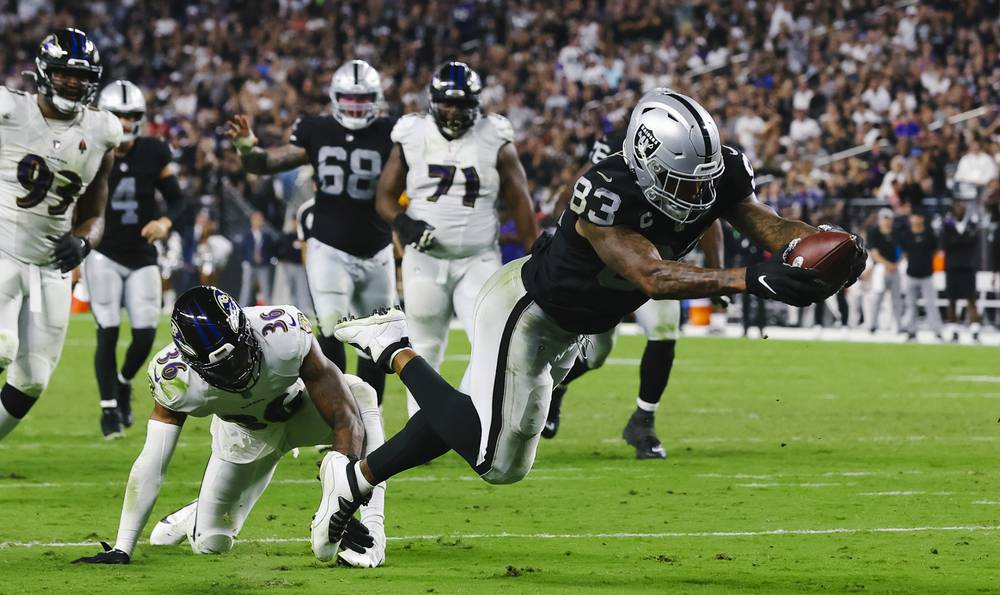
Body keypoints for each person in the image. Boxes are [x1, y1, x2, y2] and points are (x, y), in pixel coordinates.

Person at [315, 89, 864, 554]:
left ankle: (355, 480)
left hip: (570, 325)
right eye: (683, 184)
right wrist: (749, 279)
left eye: (704, 182)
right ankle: (394, 347)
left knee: (471, 421)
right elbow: (651, 276)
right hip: (526, 313)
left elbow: (763, 222)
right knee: (495, 462)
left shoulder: (712, 174)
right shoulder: (606, 192)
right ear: (645, 164)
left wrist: (816, 244)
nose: (697, 196)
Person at [72, 286, 386, 567]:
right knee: (211, 544)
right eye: (224, 366)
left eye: (240, 353)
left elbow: (346, 417)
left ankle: (373, 531)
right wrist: (122, 546)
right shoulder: (175, 379)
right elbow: (153, 461)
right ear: (193, 363)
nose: (239, 368)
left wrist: (342, 506)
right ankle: (193, 516)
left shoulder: (282, 329)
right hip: (244, 439)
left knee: (359, 394)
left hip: (303, 413)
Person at [540, 125, 726, 459]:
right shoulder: (617, 146)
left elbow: (708, 215)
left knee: (665, 327)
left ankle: (644, 419)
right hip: (607, 262)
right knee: (597, 353)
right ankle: (555, 388)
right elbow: (579, 189)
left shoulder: (694, 156)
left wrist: (716, 271)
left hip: (660, 261)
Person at [374, 61, 539, 415]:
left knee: (491, 342)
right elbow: (384, 197)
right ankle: (421, 430)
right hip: (425, 259)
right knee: (425, 346)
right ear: (433, 101)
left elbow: (519, 199)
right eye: (447, 102)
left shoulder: (494, 136)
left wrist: (535, 254)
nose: (453, 110)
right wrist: (403, 223)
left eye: (462, 103)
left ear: (477, 104)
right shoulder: (412, 134)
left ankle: (467, 417)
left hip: (478, 259)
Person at [227, 59, 395, 404]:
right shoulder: (317, 129)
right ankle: (339, 420)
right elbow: (267, 163)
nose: (356, 106)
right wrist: (246, 148)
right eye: (349, 99)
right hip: (329, 245)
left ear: (376, 99)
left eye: (363, 99)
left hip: (378, 247)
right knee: (332, 328)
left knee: (379, 341)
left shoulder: (393, 133)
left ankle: (370, 424)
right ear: (336, 98)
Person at [0, 29, 122, 440]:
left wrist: (85, 241)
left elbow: (95, 214)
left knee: (32, 378)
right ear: (43, 72)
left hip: (51, 264)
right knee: (2, 345)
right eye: (64, 73)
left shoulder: (104, 131)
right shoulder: (9, 110)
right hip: (2, 248)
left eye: (82, 76)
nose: (73, 82)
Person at [85, 80, 186, 439]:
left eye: (132, 116)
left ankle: (124, 381)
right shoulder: (90, 148)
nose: (126, 123)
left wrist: (164, 221)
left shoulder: (154, 151)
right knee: (107, 330)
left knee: (145, 333)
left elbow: (178, 199)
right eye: (120, 116)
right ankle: (108, 410)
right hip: (103, 252)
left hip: (142, 254)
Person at [941, 202, 981, 342]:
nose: (959, 210)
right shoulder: (947, 225)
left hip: (968, 268)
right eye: (957, 207)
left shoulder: (971, 225)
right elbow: (946, 244)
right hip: (952, 268)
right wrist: (963, 239)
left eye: (962, 207)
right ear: (953, 210)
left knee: (971, 299)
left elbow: (973, 241)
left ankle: (975, 330)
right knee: (952, 300)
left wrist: (957, 240)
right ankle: (953, 330)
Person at [899, 213, 943, 341]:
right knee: (911, 304)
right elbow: (905, 253)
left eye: (918, 216)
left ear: (922, 218)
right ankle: (911, 332)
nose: (916, 219)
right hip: (911, 274)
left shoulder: (929, 234)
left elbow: (935, 251)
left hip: (927, 275)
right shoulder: (907, 235)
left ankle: (937, 331)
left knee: (931, 304)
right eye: (914, 216)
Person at [865, 209, 903, 333]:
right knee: (877, 297)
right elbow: (874, 253)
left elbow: (901, 251)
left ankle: (898, 325)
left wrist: (896, 264)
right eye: (884, 218)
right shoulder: (874, 232)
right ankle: (873, 325)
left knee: (896, 299)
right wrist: (887, 264)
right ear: (880, 219)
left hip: (895, 268)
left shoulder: (896, 233)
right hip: (880, 268)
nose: (887, 221)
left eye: (889, 218)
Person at [238, 210, 277, 306]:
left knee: (266, 289)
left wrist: (268, 260)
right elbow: (242, 249)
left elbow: (271, 250)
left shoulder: (267, 236)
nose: (259, 221)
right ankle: (241, 309)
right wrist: (245, 261)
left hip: (263, 266)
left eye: (260, 219)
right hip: (250, 266)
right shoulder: (247, 236)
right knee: (246, 290)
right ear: (252, 221)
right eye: (257, 219)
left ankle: (269, 310)